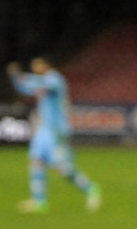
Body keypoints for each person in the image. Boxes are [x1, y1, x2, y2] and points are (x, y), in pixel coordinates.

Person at [8, 56, 100, 213]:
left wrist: (27, 77)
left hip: (57, 130)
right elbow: (23, 88)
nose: (35, 67)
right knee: (36, 162)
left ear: (47, 65)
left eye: (38, 64)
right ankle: (39, 202)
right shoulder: (41, 80)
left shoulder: (56, 80)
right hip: (44, 130)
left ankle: (91, 189)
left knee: (62, 169)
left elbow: (43, 85)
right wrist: (15, 76)